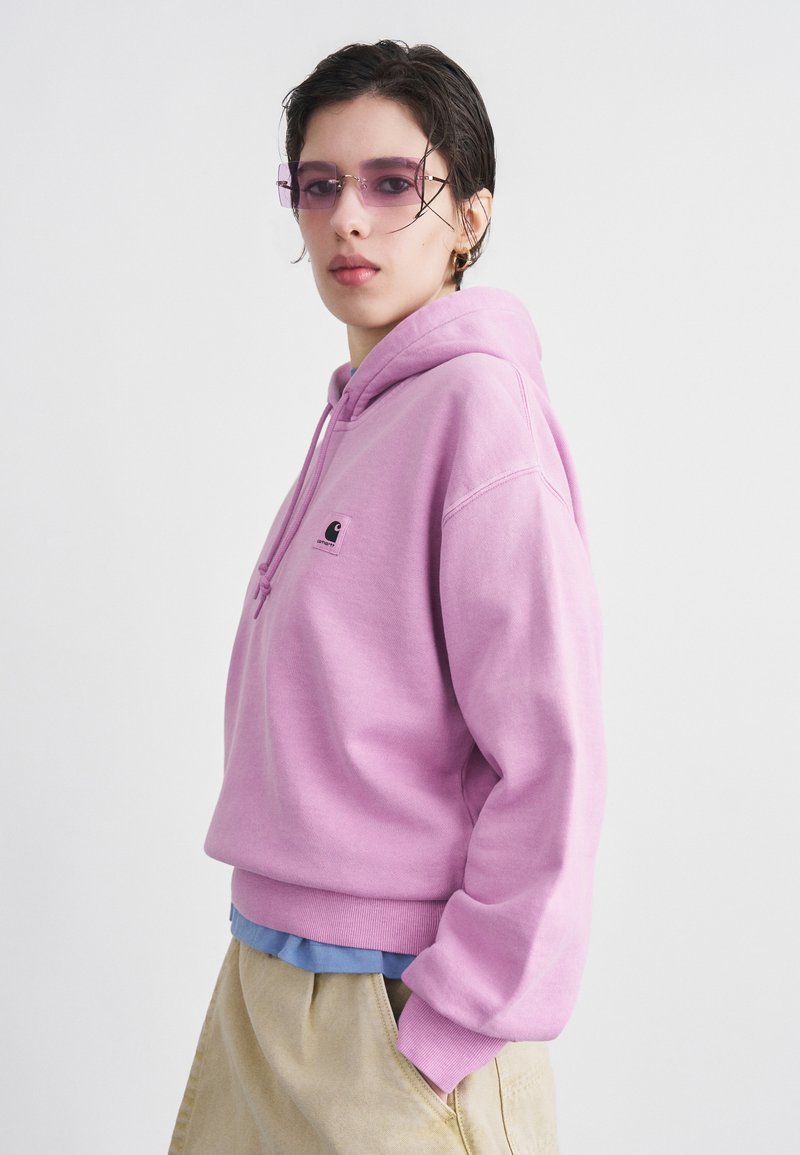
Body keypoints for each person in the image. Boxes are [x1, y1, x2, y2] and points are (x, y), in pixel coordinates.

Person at [169, 39, 607, 1155]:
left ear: (469, 215)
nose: (348, 220)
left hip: (393, 1011)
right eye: (319, 186)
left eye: (392, 183)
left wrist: (447, 1029)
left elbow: (551, 757)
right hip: (266, 981)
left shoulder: (478, 413)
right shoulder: (363, 410)